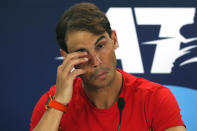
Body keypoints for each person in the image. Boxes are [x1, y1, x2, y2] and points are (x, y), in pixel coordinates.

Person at [30, 2, 186, 131]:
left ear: (114, 39)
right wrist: (59, 103)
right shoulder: (52, 103)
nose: (96, 61)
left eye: (100, 46)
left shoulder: (154, 98)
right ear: (66, 57)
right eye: (82, 53)